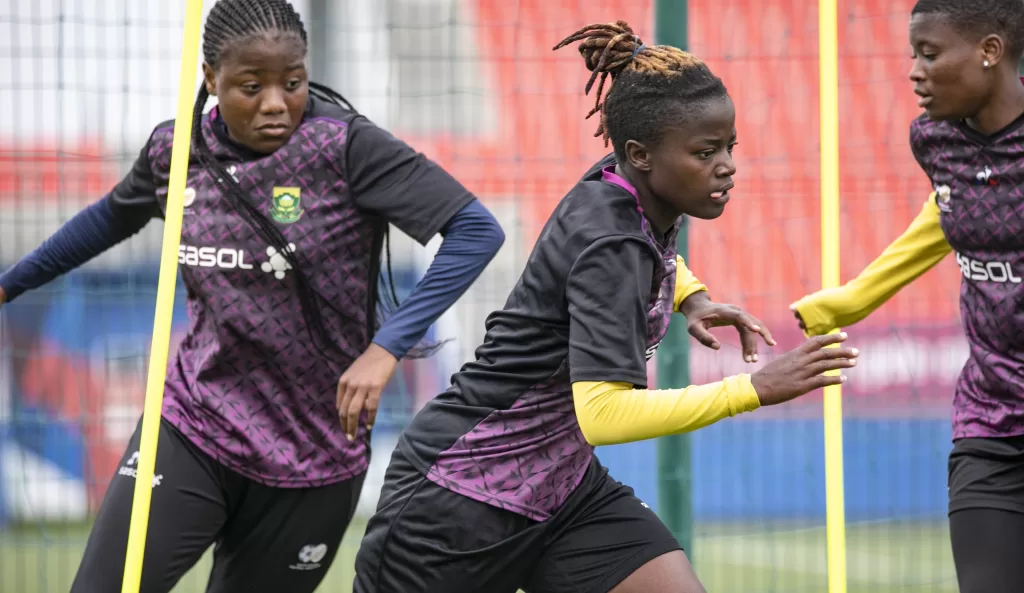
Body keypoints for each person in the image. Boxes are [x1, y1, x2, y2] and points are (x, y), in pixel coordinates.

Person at [0, 0, 505, 591]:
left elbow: (476, 231)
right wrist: (11, 284)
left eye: (292, 82)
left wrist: (386, 347)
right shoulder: (175, 152)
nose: (275, 103)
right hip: (193, 423)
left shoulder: (345, 148)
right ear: (211, 79)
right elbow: (106, 219)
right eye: (251, 85)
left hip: (314, 449)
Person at [352, 20, 860, 593]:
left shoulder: (619, 184)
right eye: (705, 151)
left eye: (729, 147)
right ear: (641, 154)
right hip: (456, 500)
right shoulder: (609, 240)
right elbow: (603, 414)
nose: (726, 165)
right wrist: (755, 389)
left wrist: (691, 298)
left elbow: (646, 249)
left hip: (563, 490)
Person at [790, 1, 1024, 591]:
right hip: (991, 421)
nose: (914, 71)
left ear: (990, 52)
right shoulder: (934, 140)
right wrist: (852, 299)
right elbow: (944, 217)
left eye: (930, 53)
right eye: (913, 54)